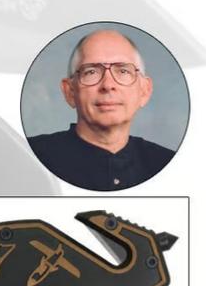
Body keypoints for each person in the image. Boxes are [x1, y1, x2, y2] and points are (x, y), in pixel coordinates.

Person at [28, 29, 174, 190]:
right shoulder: (29, 159)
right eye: (91, 72)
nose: (108, 85)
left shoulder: (168, 164)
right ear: (70, 91)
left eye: (123, 71)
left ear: (144, 91)